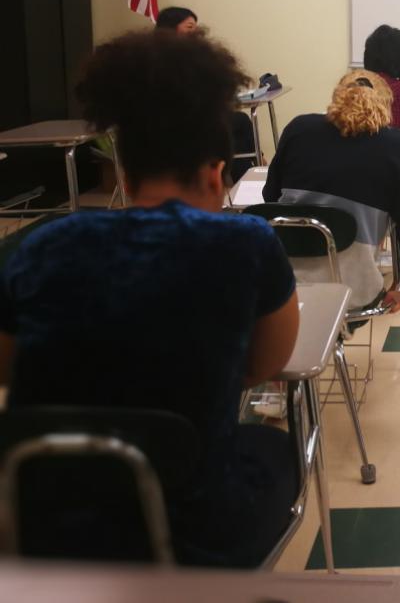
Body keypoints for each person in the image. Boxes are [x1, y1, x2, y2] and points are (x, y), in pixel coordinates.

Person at [0, 30, 300, 567]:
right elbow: (264, 366)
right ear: (217, 173)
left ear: (122, 167)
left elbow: (8, 367)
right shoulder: (247, 245)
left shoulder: (44, 244)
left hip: (45, 524)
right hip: (195, 531)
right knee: (278, 448)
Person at [264, 69, 400, 313]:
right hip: (354, 290)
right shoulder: (399, 148)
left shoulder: (299, 129)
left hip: (279, 285)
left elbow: (270, 196)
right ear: (385, 103)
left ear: (338, 96)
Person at [156, 5, 256, 180]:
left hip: (194, 117)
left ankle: (246, 175)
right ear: (170, 28)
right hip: (176, 123)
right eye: (189, 27)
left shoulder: (190, 55)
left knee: (237, 125)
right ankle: (246, 176)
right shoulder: (162, 59)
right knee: (237, 123)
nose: (196, 32)